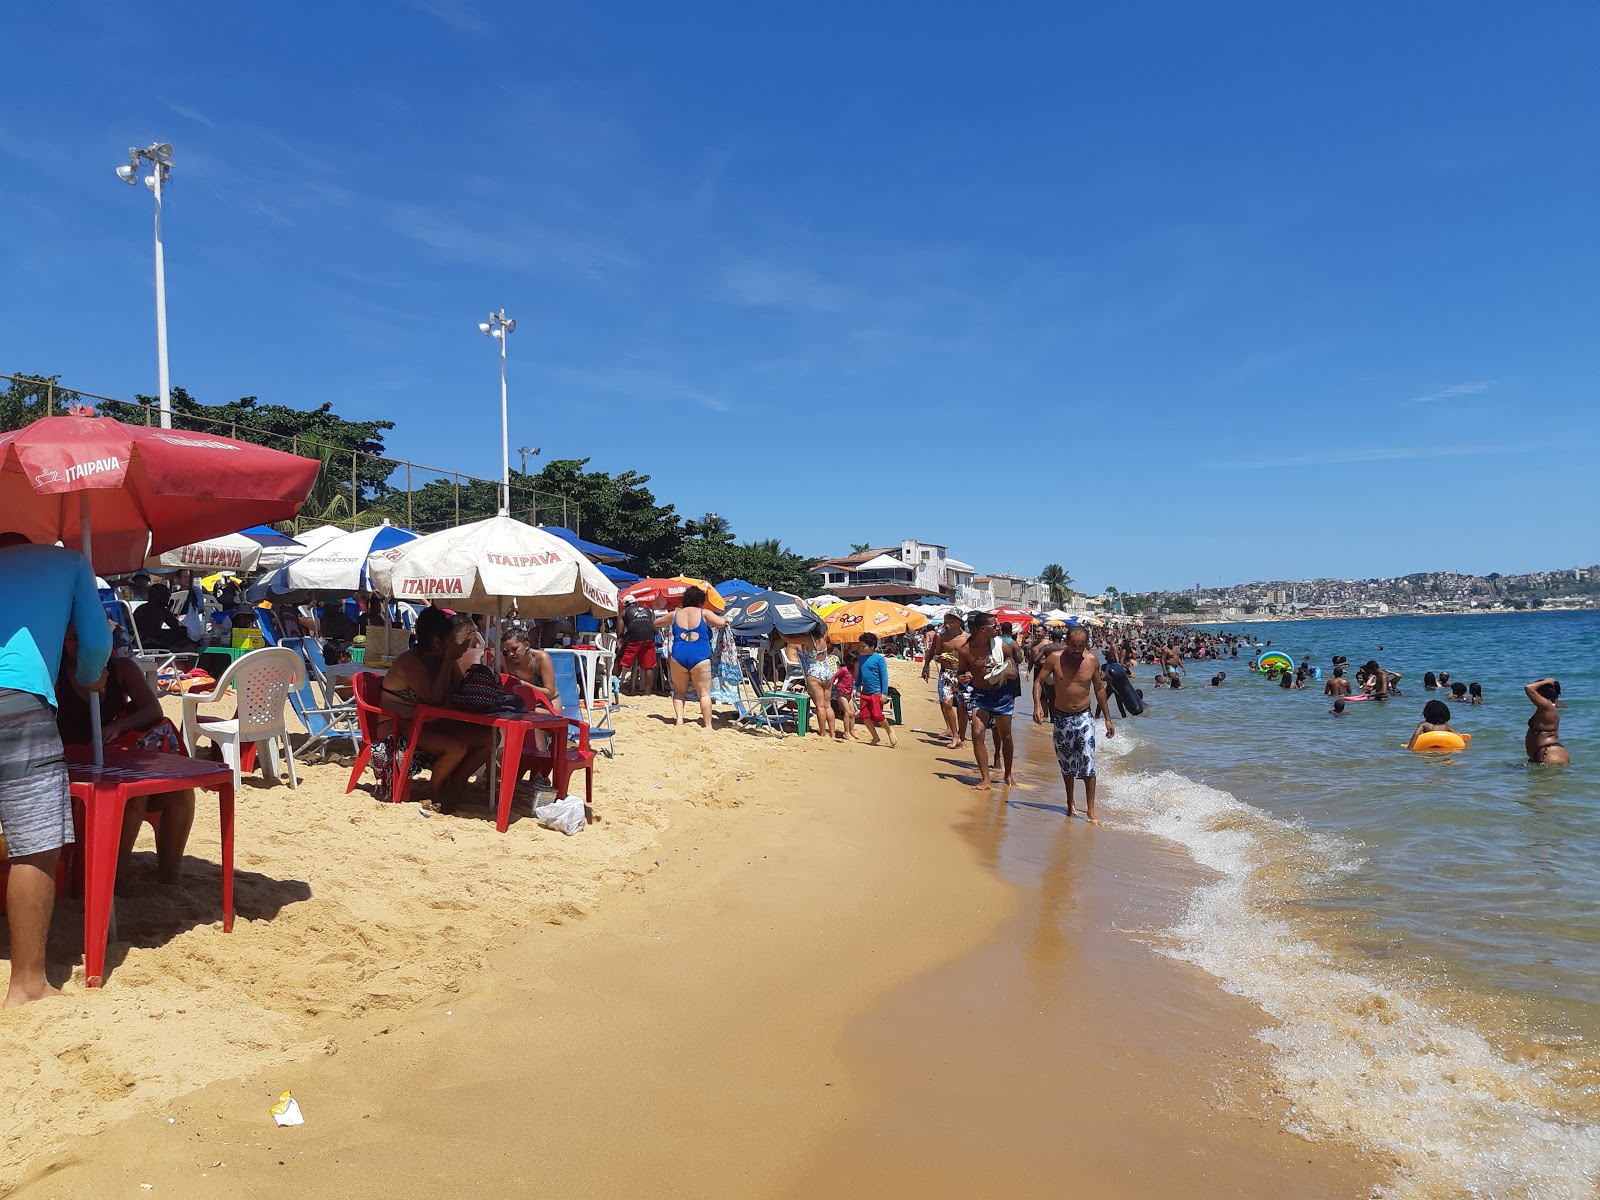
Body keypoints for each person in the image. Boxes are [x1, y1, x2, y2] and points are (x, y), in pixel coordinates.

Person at [0, 533, 111, 1006]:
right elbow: (96, 642)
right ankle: (27, 986)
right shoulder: (68, 562)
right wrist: (90, 677)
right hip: (19, 700)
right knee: (34, 843)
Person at [55, 625, 195, 886]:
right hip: (72, 765)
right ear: (62, 642)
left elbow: (153, 710)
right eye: (74, 638)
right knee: (132, 797)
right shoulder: (55, 673)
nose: (82, 645)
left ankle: (169, 879)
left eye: (89, 636)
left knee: (180, 794)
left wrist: (119, 726)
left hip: (114, 758)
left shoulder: (122, 669)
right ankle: (113, 881)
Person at [378, 607, 495, 811]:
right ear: (436, 641)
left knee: (490, 738)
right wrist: (449, 659)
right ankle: (436, 791)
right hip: (396, 725)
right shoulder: (410, 662)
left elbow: (459, 691)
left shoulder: (439, 659)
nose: (455, 643)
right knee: (454, 748)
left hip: (427, 723)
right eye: (451, 639)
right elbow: (434, 699)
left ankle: (457, 783)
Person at [1033, 625, 1113, 821]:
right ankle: (1070, 802)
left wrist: (1108, 719)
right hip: (1060, 717)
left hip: (1084, 716)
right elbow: (1038, 682)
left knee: (1088, 761)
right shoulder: (1055, 659)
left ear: (1087, 644)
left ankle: (1091, 809)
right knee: (1066, 764)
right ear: (1067, 643)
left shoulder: (1092, 660)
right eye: (1073, 645)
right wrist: (1037, 705)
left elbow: (1099, 689)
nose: (1077, 650)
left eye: (1081, 646)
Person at [955, 612, 1017, 789]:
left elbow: (1013, 673)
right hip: (980, 695)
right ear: (983, 629)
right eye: (994, 626)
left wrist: (1002, 669)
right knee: (977, 733)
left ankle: (1008, 774)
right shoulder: (965, 650)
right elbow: (961, 673)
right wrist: (962, 678)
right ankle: (986, 779)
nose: (998, 628)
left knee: (1006, 735)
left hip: (1002, 694)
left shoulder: (1002, 647)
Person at [655, 586, 728, 730]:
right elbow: (720, 623)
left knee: (679, 691)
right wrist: (725, 618)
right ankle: (707, 725)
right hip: (700, 656)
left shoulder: (675, 615)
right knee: (704, 694)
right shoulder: (704, 613)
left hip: (679, 656)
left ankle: (679, 721)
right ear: (701, 601)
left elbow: (656, 623)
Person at [922, 612, 969, 749]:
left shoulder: (967, 638)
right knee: (947, 703)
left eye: (952, 620)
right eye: (947, 620)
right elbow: (935, 653)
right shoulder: (941, 637)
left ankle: (962, 736)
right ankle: (954, 735)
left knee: (962, 706)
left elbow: (974, 656)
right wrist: (938, 659)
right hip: (947, 673)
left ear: (960, 621)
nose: (948, 622)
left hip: (962, 674)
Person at [853, 632, 896, 747]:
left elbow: (884, 676)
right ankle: (875, 736)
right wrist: (854, 687)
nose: (861, 648)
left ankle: (889, 731)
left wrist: (884, 693)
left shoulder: (879, 659)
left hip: (876, 692)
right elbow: (860, 676)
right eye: (860, 646)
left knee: (877, 715)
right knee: (864, 716)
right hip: (865, 692)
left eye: (864, 646)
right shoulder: (861, 659)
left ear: (871, 646)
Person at [500, 623, 558, 709]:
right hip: (523, 704)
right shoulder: (507, 662)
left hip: (548, 703)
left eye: (514, 649)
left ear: (526, 645)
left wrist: (524, 685)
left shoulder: (541, 659)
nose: (510, 654)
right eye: (507, 651)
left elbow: (550, 693)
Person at [795, 630, 837, 743]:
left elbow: (790, 640)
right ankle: (832, 733)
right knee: (828, 705)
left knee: (820, 706)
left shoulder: (809, 639)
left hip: (814, 672)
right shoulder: (823, 637)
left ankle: (823, 732)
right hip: (827, 671)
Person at [133, 581, 199, 652]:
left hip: (139, 641)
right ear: (159, 596)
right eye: (167, 595)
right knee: (187, 642)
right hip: (151, 642)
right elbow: (176, 627)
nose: (168, 598)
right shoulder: (161, 610)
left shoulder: (141, 608)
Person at [616, 597, 660, 696]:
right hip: (649, 637)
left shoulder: (623, 612)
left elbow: (619, 632)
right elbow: (655, 628)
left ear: (625, 604)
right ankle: (647, 694)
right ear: (635, 602)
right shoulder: (647, 610)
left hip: (634, 637)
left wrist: (622, 637)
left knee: (619, 661)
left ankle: (613, 686)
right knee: (648, 667)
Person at [1524, 678, 1569, 765]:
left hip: (1550, 754)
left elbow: (1528, 688)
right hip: (1546, 753)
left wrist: (1547, 681)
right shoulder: (1546, 708)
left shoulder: (1547, 707)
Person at [831, 652, 858, 741]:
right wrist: (830, 686)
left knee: (853, 713)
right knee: (847, 712)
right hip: (841, 693)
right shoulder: (844, 669)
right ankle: (846, 733)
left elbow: (853, 681)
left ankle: (852, 730)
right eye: (856, 661)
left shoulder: (853, 670)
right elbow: (834, 677)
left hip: (848, 694)